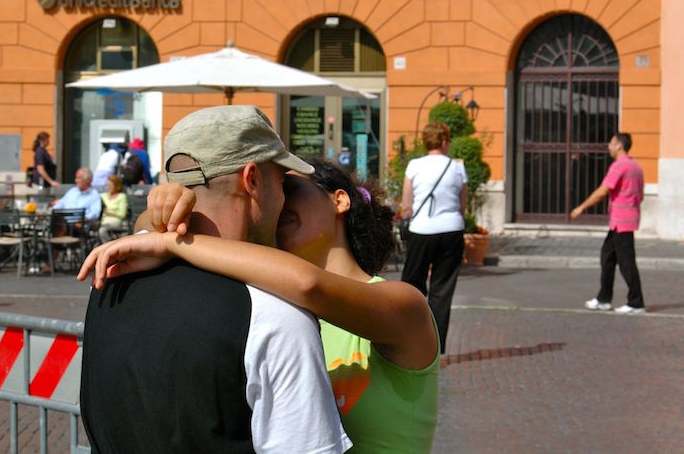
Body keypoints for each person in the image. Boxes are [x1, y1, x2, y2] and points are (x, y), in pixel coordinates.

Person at [80, 157, 440, 453]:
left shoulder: (405, 305)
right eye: (274, 190)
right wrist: (170, 204)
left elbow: (309, 284)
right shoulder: (273, 297)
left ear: (339, 200)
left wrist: (172, 243)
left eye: (290, 188)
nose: (279, 201)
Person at [79, 105, 350, 452]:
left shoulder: (112, 279)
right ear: (252, 179)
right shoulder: (275, 316)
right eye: (282, 183)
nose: (284, 200)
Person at [400, 121, 468, 354]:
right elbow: (462, 205)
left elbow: (407, 206)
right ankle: (436, 348)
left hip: (421, 231)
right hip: (451, 230)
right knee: (442, 289)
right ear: (445, 141)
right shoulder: (457, 167)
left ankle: (411, 340)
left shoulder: (414, 166)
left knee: (412, 285)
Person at [572, 132, 646, 314]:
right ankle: (603, 299)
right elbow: (640, 194)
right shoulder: (636, 166)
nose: (608, 146)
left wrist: (581, 207)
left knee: (626, 262)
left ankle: (636, 302)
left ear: (619, 146)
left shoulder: (619, 166)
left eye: (611, 143)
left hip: (622, 221)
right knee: (607, 256)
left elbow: (603, 191)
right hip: (624, 220)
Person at [98, 174, 127, 243]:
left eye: (110, 185)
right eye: (107, 185)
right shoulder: (102, 196)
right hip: (103, 221)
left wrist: (109, 213)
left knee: (102, 230)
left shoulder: (121, 197)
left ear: (117, 186)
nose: (108, 187)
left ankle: (108, 247)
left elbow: (122, 214)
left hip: (115, 221)